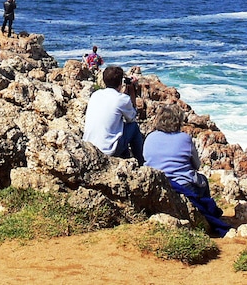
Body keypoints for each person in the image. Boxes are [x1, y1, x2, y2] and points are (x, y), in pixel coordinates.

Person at [144, 105, 232, 236]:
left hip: (157, 183)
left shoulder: (150, 137)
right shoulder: (184, 138)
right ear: (178, 121)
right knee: (202, 180)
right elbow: (196, 165)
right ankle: (207, 216)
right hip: (183, 184)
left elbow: (146, 158)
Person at [83, 65, 144, 164]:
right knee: (134, 127)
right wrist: (132, 89)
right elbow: (131, 118)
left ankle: (125, 157)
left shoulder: (96, 94)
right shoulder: (122, 99)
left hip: (90, 146)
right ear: (121, 82)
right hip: (108, 150)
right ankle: (140, 161)